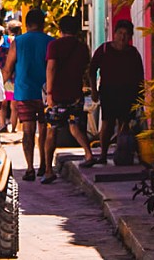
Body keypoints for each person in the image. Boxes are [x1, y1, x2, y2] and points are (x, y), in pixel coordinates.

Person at [41, 16, 95, 183]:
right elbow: (86, 68)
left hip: (57, 95)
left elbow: (51, 67)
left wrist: (49, 93)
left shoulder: (55, 46)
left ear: (61, 30)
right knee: (74, 126)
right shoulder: (82, 47)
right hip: (75, 94)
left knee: (52, 130)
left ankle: (49, 170)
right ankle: (88, 153)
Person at [3, 9, 54, 182]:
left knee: (28, 130)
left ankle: (30, 168)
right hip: (47, 93)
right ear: (43, 23)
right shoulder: (50, 42)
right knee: (45, 129)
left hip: (24, 91)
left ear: (26, 24)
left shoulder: (18, 41)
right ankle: (46, 167)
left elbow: (8, 67)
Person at [86, 19, 145, 167]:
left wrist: (140, 96)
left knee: (124, 124)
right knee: (107, 123)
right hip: (109, 91)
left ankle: (121, 154)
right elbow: (92, 71)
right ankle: (103, 154)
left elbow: (139, 76)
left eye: (126, 34)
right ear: (115, 34)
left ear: (130, 36)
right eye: (120, 33)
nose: (122, 37)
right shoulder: (104, 49)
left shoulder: (133, 53)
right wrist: (93, 90)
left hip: (128, 92)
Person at [0, 20, 22, 132]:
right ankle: (14, 128)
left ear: (8, 30)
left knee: (3, 103)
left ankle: (2, 125)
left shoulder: (4, 39)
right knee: (14, 106)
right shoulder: (21, 41)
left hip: (4, 75)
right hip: (17, 76)